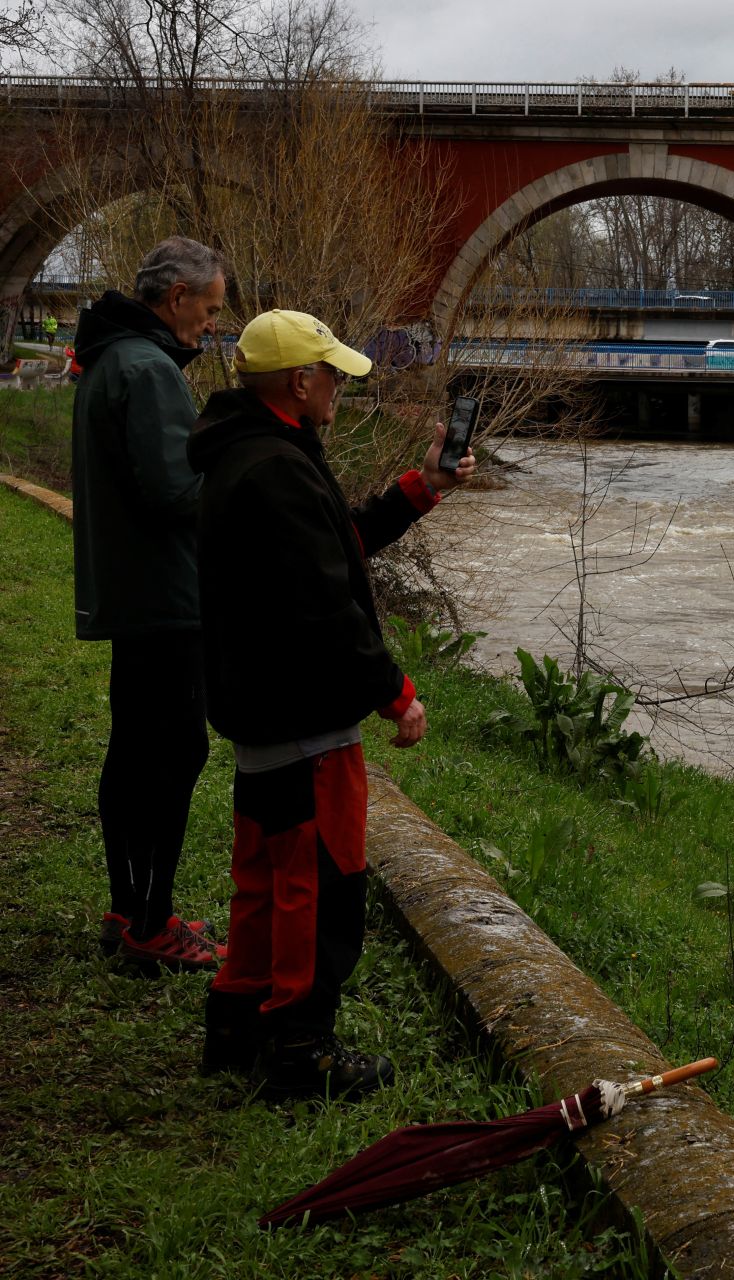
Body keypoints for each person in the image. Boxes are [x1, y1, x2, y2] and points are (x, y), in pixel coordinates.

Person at [188, 309, 474, 1098]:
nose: (342, 387)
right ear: (299, 381)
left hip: (260, 709)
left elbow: (331, 543)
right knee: (320, 883)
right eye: (334, 374)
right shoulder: (276, 467)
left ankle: (237, 1021)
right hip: (304, 714)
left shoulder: (247, 452)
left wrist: (420, 489)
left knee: (264, 877)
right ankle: (300, 1053)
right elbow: (324, 605)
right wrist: (396, 695)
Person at [70, 236, 230, 971]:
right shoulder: (150, 368)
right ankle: (152, 923)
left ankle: (125, 907)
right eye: (209, 307)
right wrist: (234, 484)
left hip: (128, 591)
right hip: (168, 595)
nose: (212, 323)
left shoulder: (110, 359)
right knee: (175, 751)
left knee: (132, 749)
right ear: (177, 299)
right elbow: (175, 490)